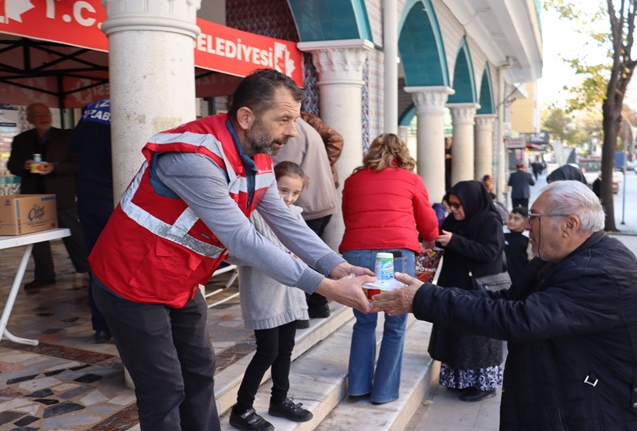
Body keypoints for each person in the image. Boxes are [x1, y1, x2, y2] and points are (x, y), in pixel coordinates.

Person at [88, 69, 375, 431]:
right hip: (130, 281)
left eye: (295, 120)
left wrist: (337, 267)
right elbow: (243, 239)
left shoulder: (259, 155)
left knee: (200, 371)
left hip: (181, 280)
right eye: (284, 119)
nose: (292, 130)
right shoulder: (194, 158)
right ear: (246, 117)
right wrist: (325, 287)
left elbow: (284, 222)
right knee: (163, 389)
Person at [373, 181, 637, 430]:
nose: (527, 226)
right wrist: (427, 295)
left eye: (535, 218)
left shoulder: (601, 272)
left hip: (604, 415)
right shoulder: (557, 260)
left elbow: (519, 319)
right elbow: (505, 302)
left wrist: (426, 298)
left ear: (570, 224)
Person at [339, 133, 438, 405]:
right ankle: (383, 392)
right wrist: (429, 236)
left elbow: (349, 216)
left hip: (357, 253)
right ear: (402, 154)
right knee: (395, 324)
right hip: (396, 255)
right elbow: (428, 223)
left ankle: (358, 387)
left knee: (364, 320)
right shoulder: (411, 180)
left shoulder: (353, 180)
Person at [232, 161, 313, 431]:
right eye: (282, 190)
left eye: (294, 193)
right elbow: (236, 252)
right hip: (264, 295)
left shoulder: (295, 215)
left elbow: (305, 246)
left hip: (290, 294)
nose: (288, 198)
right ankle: (242, 409)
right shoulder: (251, 214)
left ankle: (279, 399)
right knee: (267, 352)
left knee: (285, 350)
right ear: (269, 186)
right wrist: (275, 258)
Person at [430, 180, 505, 402]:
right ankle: (459, 380)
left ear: (471, 202)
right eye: (450, 204)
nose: (453, 209)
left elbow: (490, 252)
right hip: (456, 284)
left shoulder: (490, 220)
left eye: (457, 205)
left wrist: (455, 240)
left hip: (482, 287)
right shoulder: (454, 220)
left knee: (478, 337)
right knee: (456, 334)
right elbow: (450, 243)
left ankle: (484, 384)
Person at [7, 102, 89, 289]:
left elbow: (78, 163)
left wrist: (55, 167)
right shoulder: (21, 139)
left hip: (62, 194)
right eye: (37, 115)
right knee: (37, 238)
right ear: (29, 119)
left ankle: (88, 270)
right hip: (33, 196)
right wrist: (25, 166)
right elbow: (12, 165)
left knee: (75, 234)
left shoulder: (66, 136)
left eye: (46, 113)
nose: (43, 117)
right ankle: (44, 275)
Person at [272, 113, 343, 322]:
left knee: (301, 259)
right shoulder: (308, 128)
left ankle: (310, 307)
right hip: (322, 200)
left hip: (308, 205)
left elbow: (285, 168)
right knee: (307, 257)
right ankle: (313, 306)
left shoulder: (292, 132)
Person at [68, 98, 114, 344]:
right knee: (121, 264)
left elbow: (74, 146)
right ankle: (121, 327)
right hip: (113, 197)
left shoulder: (91, 107)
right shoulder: (128, 103)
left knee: (97, 264)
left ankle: (101, 327)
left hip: (87, 196)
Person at [504, 206, 530, 284]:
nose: (511, 221)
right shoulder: (502, 235)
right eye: (510, 217)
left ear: (526, 221)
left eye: (516, 219)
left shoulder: (528, 239)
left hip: (521, 279)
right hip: (503, 278)